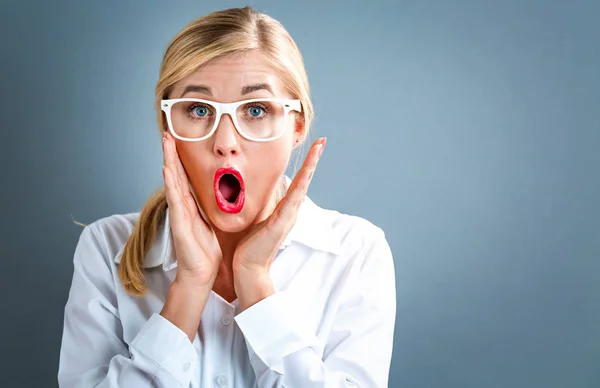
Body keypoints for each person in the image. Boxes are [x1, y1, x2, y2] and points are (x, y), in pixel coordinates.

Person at [58, 6, 396, 388]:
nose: (225, 143)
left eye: (255, 109)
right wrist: (188, 288)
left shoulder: (356, 253)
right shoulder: (105, 248)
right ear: (167, 126)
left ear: (297, 126)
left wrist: (256, 287)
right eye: (199, 109)